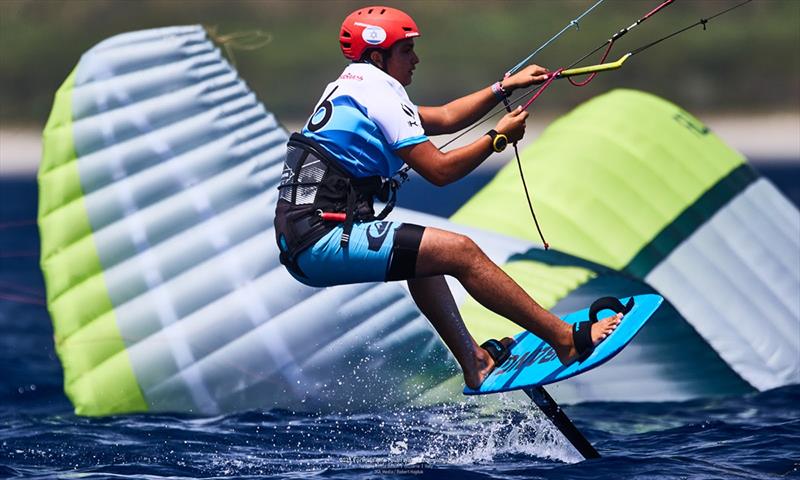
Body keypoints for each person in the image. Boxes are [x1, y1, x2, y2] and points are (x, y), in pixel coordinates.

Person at [274, 6, 621, 390]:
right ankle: (566, 339)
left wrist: (503, 88)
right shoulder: (377, 94)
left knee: (427, 259)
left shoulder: (355, 85)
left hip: (309, 234)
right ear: (378, 56)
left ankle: (476, 362)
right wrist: (497, 138)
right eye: (406, 51)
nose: (416, 59)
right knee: (461, 252)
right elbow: (439, 172)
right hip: (319, 237)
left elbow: (445, 116)